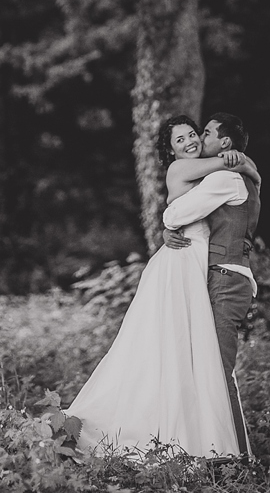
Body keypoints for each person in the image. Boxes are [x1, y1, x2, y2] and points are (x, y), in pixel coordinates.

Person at [67, 115, 260, 458]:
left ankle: (205, 443)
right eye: (180, 140)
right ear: (170, 152)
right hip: (184, 264)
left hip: (204, 268)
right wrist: (243, 161)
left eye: (196, 134)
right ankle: (207, 447)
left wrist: (245, 164)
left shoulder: (217, 174)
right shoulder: (188, 170)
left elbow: (189, 209)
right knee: (182, 354)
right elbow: (174, 214)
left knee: (196, 358)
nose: (191, 141)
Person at [163, 112, 260, 455]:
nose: (198, 140)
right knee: (213, 368)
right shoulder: (235, 175)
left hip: (225, 278)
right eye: (186, 137)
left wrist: (169, 223)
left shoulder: (224, 179)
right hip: (222, 277)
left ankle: (233, 459)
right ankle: (222, 451)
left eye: (204, 133)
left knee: (218, 372)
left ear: (225, 143)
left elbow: (174, 214)